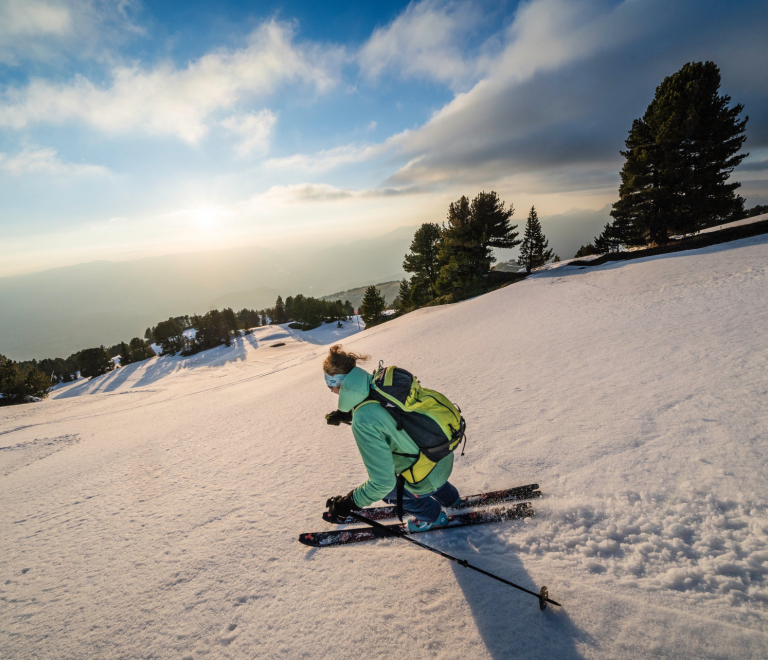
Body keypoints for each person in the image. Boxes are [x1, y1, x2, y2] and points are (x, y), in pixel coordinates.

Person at [323, 345, 460, 532]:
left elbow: (383, 483)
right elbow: (387, 416)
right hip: (441, 454)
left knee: (388, 492)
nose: (330, 390)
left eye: (329, 384)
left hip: (426, 478)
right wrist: (347, 415)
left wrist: (348, 503)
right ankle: (451, 498)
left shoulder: (363, 422)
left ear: (339, 382)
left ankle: (433, 517)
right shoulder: (378, 383)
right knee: (414, 460)